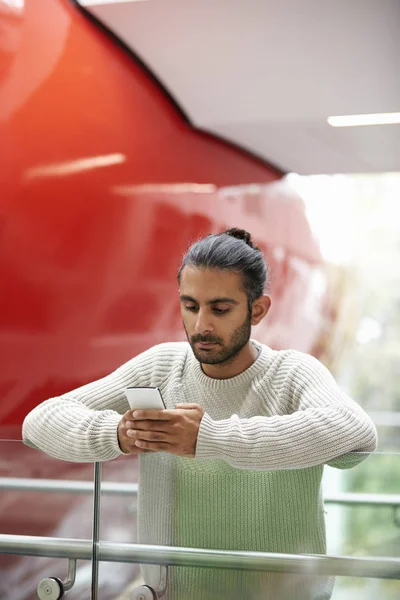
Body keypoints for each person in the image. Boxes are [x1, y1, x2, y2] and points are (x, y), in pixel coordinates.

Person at [23, 228, 377, 600]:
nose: (200, 325)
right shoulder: (161, 366)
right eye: (190, 306)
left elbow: (356, 435)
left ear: (257, 309)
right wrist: (121, 434)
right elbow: (41, 420)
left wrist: (206, 438)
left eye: (220, 309)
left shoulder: (292, 372)